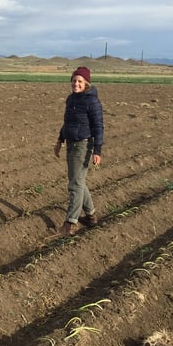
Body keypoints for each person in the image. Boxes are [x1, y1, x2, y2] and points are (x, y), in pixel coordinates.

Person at [53, 66, 104, 237]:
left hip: (83, 145)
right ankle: (91, 215)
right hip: (71, 144)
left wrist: (97, 150)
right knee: (78, 181)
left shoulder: (92, 101)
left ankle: (70, 224)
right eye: (74, 80)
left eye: (80, 81)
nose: (76, 84)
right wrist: (60, 140)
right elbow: (67, 122)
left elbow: (98, 127)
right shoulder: (71, 99)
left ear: (86, 83)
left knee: (75, 184)